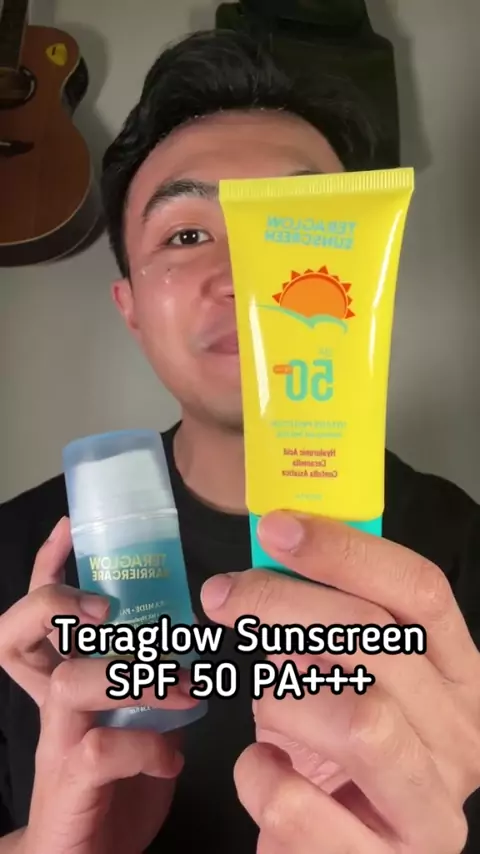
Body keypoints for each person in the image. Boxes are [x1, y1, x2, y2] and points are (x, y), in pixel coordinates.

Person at [1, 28, 479, 854]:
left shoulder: (465, 552)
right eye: (187, 235)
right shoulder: (18, 557)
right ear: (131, 309)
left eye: (298, 224)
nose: (249, 275)